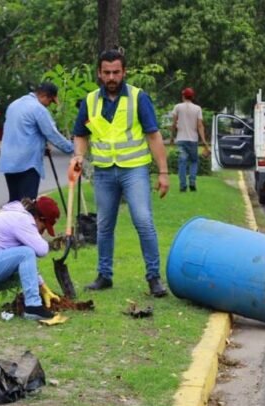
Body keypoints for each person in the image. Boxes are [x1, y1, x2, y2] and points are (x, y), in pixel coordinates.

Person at [71, 49, 170, 297]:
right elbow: (80, 134)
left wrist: (163, 172)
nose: (112, 77)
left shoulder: (138, 98)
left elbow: (153, 136)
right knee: (104, 225)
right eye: (107, 72)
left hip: (133, 170)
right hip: (104, 172)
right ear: (99, 74)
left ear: (124, 72)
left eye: (116, 72)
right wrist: (79, 156)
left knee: (143, 220)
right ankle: (104, 275)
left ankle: (154, 278)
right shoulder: (90, 101)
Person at [0, 82, 74, 201]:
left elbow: (23, 131)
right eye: (50, 101)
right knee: (28, 204)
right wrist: (72, 148)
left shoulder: (14, 105)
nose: (49, 106)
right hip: (27, 164)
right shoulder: (38, 109)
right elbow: (52, 134)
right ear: (45, 96)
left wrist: (41, 146)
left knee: (14, 202)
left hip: (9, 162)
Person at [171, 87, 210, 192]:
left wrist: (172, 136)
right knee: (193, 161)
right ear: (192, 97)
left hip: (181, 139)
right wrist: (204, 142)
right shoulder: (197, 108)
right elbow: (200, 125)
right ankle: (192, 182)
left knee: (182, 162)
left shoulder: (177, 107)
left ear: (183, 95)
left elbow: (174, 124)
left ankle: (183, 186)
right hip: (193, 140)